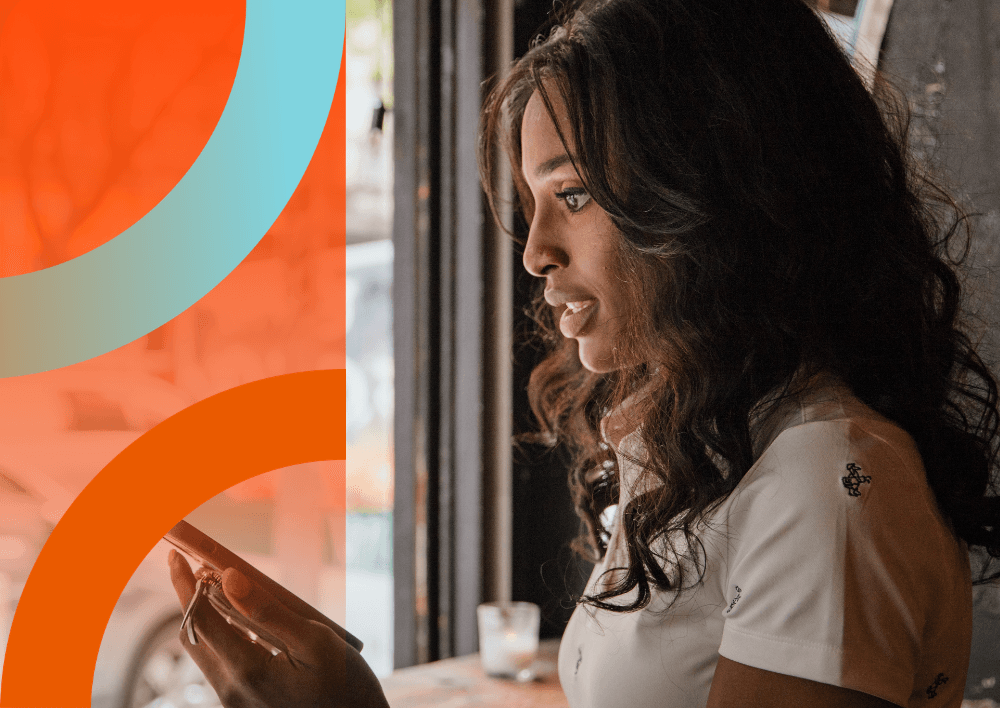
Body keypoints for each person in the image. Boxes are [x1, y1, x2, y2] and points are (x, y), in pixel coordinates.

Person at [170, 0, 1000, 706]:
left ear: (723, 192)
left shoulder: (826, 480)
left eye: (575, 194)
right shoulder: (712, 453)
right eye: (532, 202)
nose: (534, 252)